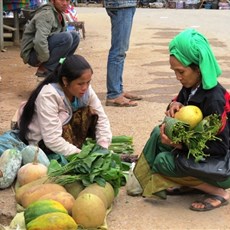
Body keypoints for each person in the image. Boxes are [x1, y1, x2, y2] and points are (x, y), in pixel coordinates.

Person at [133, 28, 230, 211]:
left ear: (199, 68)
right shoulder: (191, 86)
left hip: (221, 167)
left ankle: (219, 192)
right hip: (200, 159)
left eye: (181, 72)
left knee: (163, 161)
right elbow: (179, 103)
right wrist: (174, 105)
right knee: (157, 133)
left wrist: (180, 146)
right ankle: (145, 180)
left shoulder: (214, 99)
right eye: (174, 71)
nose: (177, 77)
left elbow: (220, 148)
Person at [17, 54, 112, 157]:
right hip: (43, 143)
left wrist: (103, 146)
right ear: (65, 81)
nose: (85, 88)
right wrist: (82, 155)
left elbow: (101, 118)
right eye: (80, 84)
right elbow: (52, 139)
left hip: (66, 136)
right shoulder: (49, 95)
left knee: (91, 112)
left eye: (88, 82)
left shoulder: (86, 91)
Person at [20, 0, 80, 79]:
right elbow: (39, 41)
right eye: (61, 0)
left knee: (75, 36)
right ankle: (45, 70)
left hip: (44, 51)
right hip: (34, 55)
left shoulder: (60, 13)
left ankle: (60, 66)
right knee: (66, 38)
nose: (65, 3)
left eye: (68, 0)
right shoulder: (47, 14)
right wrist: (44, 60)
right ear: (52, 1)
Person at [104, 0, 142, 107]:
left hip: (124, 4)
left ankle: (118, 90)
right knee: (118, 51)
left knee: (120, 50)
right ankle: (114, 94)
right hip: (121, 4)